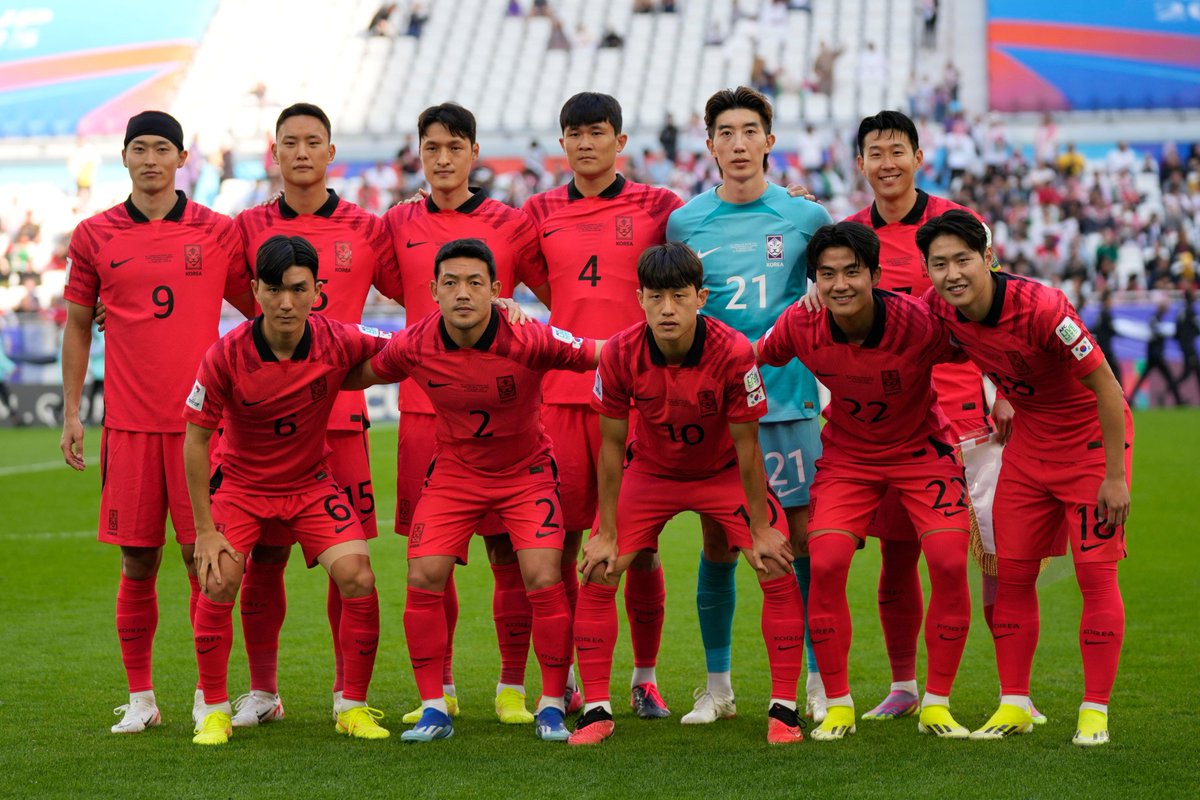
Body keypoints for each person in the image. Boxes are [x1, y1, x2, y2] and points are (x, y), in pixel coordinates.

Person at [346, 237, 600, 743]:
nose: (463, 293)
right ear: (433, 290)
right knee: (423, 574)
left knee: (544, 573)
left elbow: (602, 352)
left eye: (475, 283)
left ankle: (550, 704)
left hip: (525, 472)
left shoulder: (530, 338)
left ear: (497, 291)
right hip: (456, 474)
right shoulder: (415, 343)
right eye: (451, 283)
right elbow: (356, 373)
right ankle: (433, 709)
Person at [842, 110, 1044, 723]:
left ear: (918, 156)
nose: (887, 163)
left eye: (897, 150)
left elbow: (995, 302)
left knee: (993, 558)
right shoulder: (849, 234)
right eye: (875, 152)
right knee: (898, 558)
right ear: (860, 164)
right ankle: (905, 686)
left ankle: (1016, 692)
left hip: (969, 419)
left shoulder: (957, 224)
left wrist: (1002, 386)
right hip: (891, 424)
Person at [60, 110, 254, 734]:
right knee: (137, 563)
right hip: (130, 430)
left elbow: (266, 308)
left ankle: (209, 694)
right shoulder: (93, 235)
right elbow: (74, 326)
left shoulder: (218, 232)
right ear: (123, 158)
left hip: (202, 429)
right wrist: (71, 413)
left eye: (162, 148)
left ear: (181, 159)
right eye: (138, 148)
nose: (150, 159)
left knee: (207, 562)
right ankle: (141, 698)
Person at [570, 242, 806, 746]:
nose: (668, 308)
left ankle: (784, 708)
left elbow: (748, 446)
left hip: (722, 471)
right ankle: (594, 709)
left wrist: (761, 529)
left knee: (776, 562)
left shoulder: (735, 351)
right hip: (651, 472)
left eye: (679, 296)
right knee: (598, 567)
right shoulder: (618, 352)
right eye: (656, 297)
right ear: (640, 299)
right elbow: (611, 447)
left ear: (701, 297)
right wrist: (606, 531)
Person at [918, 210, 1132, 747]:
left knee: (1094, 576)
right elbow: (889, 315)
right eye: (939, 264)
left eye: (963, 260)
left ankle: (1094, 710)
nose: (952, 274)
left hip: (1087, 449)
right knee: (1012, 575)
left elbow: (1108, 388)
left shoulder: (1043, 307)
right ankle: (1013, 702)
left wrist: (1113, 475)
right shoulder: (939, 308)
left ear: (988, 258)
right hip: (1030, 449)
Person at [758, 221, 973, 740]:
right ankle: (837, 704)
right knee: (825, 561)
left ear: (876, 274)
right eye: (827, 275)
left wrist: (1007, 394)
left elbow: (979, 343)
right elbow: (752, 357)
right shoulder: (800, 324)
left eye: (853, 272)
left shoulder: (918, 323)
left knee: (947, 560)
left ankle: (938, 704)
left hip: (922, 451)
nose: (841, 285)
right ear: (814, 282)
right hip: (850, 457)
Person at [229, 102, 404, 728]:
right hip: (265, 428)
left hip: (341, 421)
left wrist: (495, 299)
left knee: (348, 562)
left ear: (332, 153)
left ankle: (346, 696)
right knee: (264, 560)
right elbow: (218, 296)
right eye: (290, 143)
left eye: (314, 142)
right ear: (273, 154)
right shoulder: (246, 227)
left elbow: (423, 288)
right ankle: (262, 691)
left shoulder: (367, 226)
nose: (302, 153)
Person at [184, 235, 390, 746]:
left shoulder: (337, 338)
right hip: (242, 486)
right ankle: (211, 709)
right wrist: (204, 532)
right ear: (254, 290)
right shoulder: (226, 355)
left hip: (309, 484)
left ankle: (353, 706)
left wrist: (496, 310)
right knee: (218, 580)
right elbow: (194, 442)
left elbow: (409, 344)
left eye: (298, 289)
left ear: (317, 290)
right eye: (273, 289)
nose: (285, 302)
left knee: (359, 577)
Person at [667, 86, 831, 725]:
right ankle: (719, 686)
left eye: (749, 131)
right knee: (718, 542)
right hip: (714, 410)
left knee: (799, 542)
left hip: (787, 404)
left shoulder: (805, 219)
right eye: (725, 133)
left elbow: (835, 289)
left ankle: (817, 681)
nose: (738, 144)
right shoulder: (686, 223)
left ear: (769, 139)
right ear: (710, 145)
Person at [384, 102, 550, 725]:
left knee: (511, 556)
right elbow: (342, 290)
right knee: (434, 560)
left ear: (474, 152)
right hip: (424, 410)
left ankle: (511, 687)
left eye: (455, 146)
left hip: (505, 414)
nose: (444, 158)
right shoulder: (394, 223)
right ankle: (443, 687)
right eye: (432, 147)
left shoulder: (510, 223)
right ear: (419, 153)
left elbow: (560, 291)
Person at [522, 92, 683, 718]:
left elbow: (713, 232)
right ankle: (559, 681)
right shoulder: (536, 210)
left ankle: (643, 678)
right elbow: (537, 281)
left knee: (639, 546)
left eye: (597, 132)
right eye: (574, 133)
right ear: (561, 143)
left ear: (620, 141)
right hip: (562, 396)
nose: (585, 143)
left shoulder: (659, 205)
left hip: (639, 398)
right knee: (561, 542)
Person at [1129, 300, 1184, 405]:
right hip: (1156, 356)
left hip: (1153, 356)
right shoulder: (1155, 319)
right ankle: (1179, 400)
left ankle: (1131, 399)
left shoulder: (1157, 319)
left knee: (1143, 379)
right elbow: (1156, 333)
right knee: (1169, 378)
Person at [1175, 291, 1199, 399]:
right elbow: (1196, 327)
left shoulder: (1181, 311)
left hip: (1184, 345)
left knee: (1189, 372)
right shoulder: (1190, 311)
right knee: (1191, 372)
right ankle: (1170, 389)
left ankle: (1171, 389)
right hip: (1189, 347)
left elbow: (1177, 330)